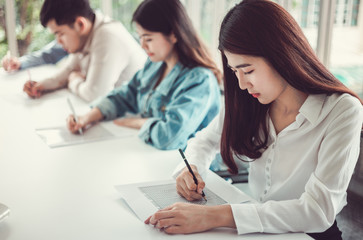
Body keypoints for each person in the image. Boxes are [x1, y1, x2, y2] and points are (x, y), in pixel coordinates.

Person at [144, 1, 363, 239]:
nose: (241, 84)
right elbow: (204, 141)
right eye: (235, 71)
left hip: (308, 233)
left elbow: (318, 211)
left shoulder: (342, 110)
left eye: (247, 71)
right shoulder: (249, 99)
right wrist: (192, 169)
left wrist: (212, 216)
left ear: (282, 55)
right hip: (253, 224)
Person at [66, 0, 222, 150]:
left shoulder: (200, 80)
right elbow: (127, 95)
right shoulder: (155, 64)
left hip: (190, 169)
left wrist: (138, 122)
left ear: (173, 34)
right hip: (154, 157)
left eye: (148, 38)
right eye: (140, 37)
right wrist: (87, 117)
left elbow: (168, 136)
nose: (142, 45)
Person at [22, 0, 146, 102]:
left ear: (80, 24)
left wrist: (74, 81)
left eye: (60, 34)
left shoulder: (107, 36)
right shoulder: (85, 35)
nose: (58, 41)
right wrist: (41, 85)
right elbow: (69, 70)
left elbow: (95, 95)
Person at [1, 41, 67, 72]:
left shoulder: (22, 60)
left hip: (47, 53)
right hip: (49, 58)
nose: (12, 63)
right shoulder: (20, 66)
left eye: (11, 60)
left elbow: (21, 62)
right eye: (9, 65)